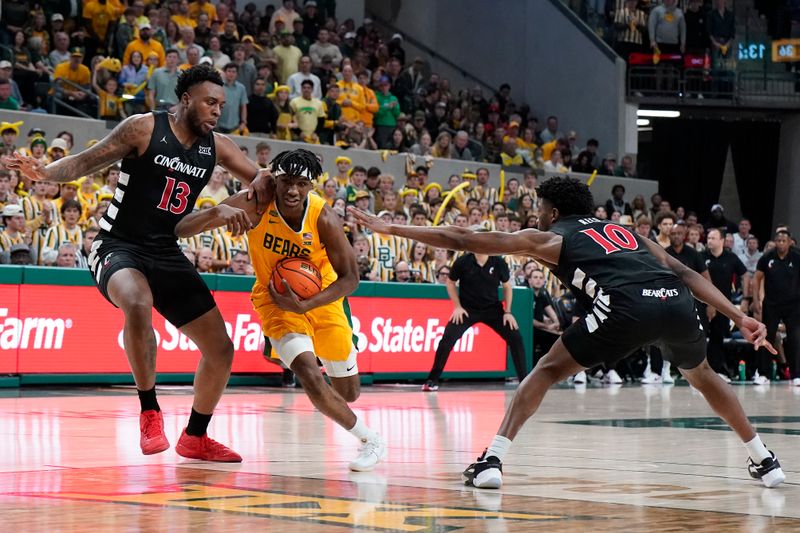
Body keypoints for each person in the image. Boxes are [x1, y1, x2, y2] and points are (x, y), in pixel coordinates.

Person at [350, 176, 784, 490]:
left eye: (538, 209)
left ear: (553, 212)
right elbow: (685, 271)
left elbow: (461, 237)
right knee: (705, 375)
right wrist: (737, 315)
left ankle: (492, 460)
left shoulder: (550, 238)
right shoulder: (628, 232)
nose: (534, 215)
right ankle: (764, 460)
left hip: (625, 306)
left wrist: (391, 227)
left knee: (544, 371)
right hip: (675, 302)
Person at [3, 64, 270, 463]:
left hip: (166, 249)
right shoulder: (143, 128)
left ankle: (195, 437)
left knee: (221, 350)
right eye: (210, 102)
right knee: (138, 302)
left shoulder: (219, 146)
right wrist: (46, 171)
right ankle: (150, 411)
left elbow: (262, 182)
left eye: (222, 104)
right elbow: (83, 163)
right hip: (118, 244)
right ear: (186, 100)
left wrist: (250, 202)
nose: (217, 111)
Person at [174, 148, 387, 471]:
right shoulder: (255, 203)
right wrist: (218, 213)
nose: (292, 190)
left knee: (349, 392)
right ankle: (370, 439)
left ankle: (341, 395)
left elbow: (351, 279)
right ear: (274, 178)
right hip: (274, 299)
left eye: (301, 184)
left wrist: (306, 303)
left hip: (324, 297)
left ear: (312, 186)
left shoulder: (324, 217)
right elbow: (182, 228)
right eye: (286, 181)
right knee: (308, 374)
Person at [416, 231, 528, 391]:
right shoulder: (462, 262)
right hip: (467, 310)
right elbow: (450, 283)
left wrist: (508, 312)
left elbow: (507, 286)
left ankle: (524, 382)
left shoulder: (498, 262)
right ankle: (432, 380)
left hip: (493, 310)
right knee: (447, 340)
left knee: (516, 337)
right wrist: (457, 306)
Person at [753, 230, 800, 387]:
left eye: (783, 241)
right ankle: (763, 373)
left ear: (789, 243)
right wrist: (756, 300)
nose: (780, 243)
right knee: (767, 337)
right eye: (778, 240)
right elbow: (757, 278)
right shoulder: (767, 257)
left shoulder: (797, 257)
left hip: (793, 305)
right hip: (771, 304)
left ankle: (796, 374)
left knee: (794, 338)